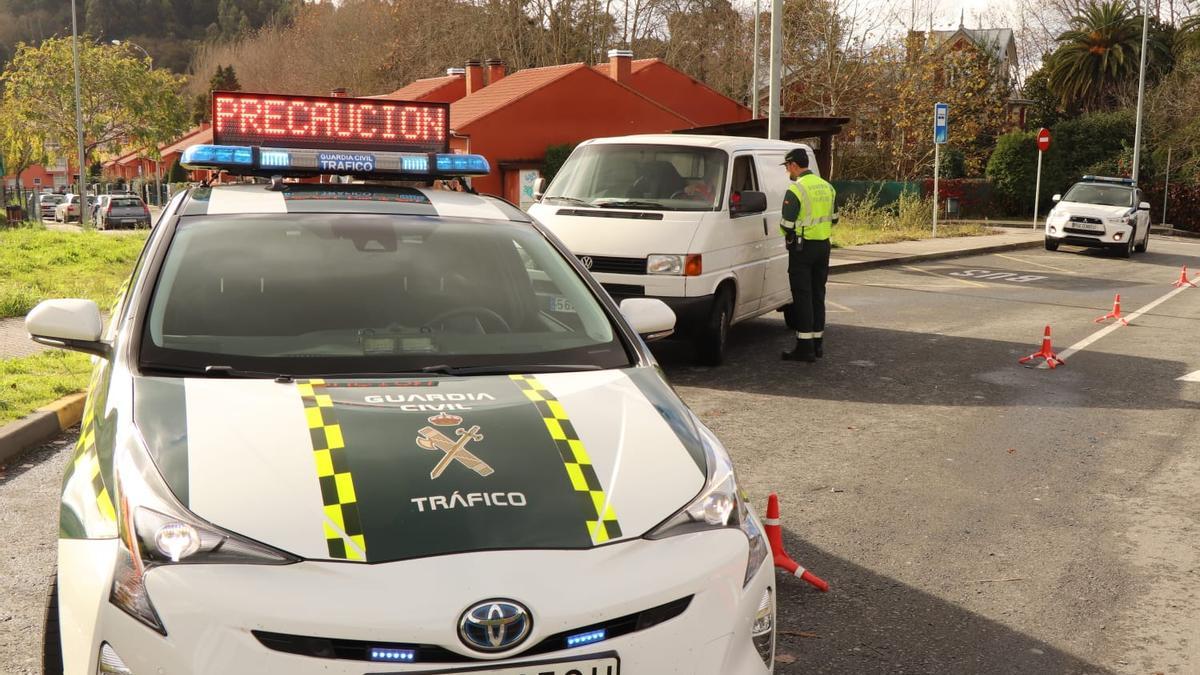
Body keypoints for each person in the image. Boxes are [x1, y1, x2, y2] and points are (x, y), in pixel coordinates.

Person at [779, 148, 836, 363]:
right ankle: (817, 344)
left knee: (802, 297)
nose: (787, 172)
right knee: (817, 294)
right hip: (823, 246)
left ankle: (805, 348)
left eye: (787, 167)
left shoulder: (796, 189)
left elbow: (786, 224)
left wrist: (791, 234)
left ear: (793, 165)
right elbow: (835, 218)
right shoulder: (827, 187)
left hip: (802, 249)